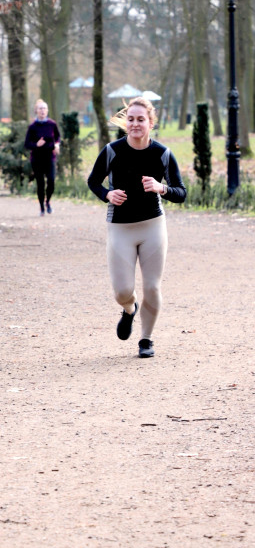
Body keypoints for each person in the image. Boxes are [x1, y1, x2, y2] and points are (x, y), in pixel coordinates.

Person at [87, 97, 186, 358]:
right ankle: (129, 310)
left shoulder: (162, 154)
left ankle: (146, 339)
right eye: (130, 119)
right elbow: (93, 182)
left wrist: (161, 187)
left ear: (151, 123)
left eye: (141, 119)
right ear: (125, 122)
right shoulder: (112, 150)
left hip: (153, 225)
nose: (135, 124)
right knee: (122, 291)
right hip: (120, 228)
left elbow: (181, 193)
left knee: (152, 286)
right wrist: (107, 195)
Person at [24, 99, 61, 216]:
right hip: (37, 159)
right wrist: (36, 145)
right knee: (40, 184)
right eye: (40, 108)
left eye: (44, 108)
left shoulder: (52, 124)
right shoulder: (32, 126)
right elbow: (26, 144)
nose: (42, 111)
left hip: (50, 157)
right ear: (36, 111)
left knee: (51, 181)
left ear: (47, 110)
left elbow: (58, 137)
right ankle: (41, 207)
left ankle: (48, 201)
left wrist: (57, 144)